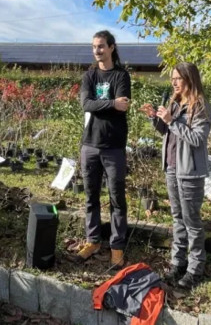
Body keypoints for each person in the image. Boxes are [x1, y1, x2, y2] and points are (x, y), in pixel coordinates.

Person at [140, 62, 211, 290]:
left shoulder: (200, 106)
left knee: (192, 221)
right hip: (171, 168)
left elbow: (196, 139)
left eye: (178, 79)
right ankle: (177, 263)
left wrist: (171, 121)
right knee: (177, 218)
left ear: (190, 80)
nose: (173, 82)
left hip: (190, 171)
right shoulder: (175, 102)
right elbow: (166, 132)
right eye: (172, 78)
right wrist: (157, 118)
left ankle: (195, 268)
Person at [76, 30, 131, 269]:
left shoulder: (121, 76)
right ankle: (93, 241)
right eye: (94, 47)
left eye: (101, 46)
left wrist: (104, 106)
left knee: (117, 198)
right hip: (90, 146)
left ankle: (117, 246)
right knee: (91, 197)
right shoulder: (89, 75)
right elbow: (85, 104)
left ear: (111, 47)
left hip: (114, 147)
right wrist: (110, 103)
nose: (97, 50)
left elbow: (123, 106)